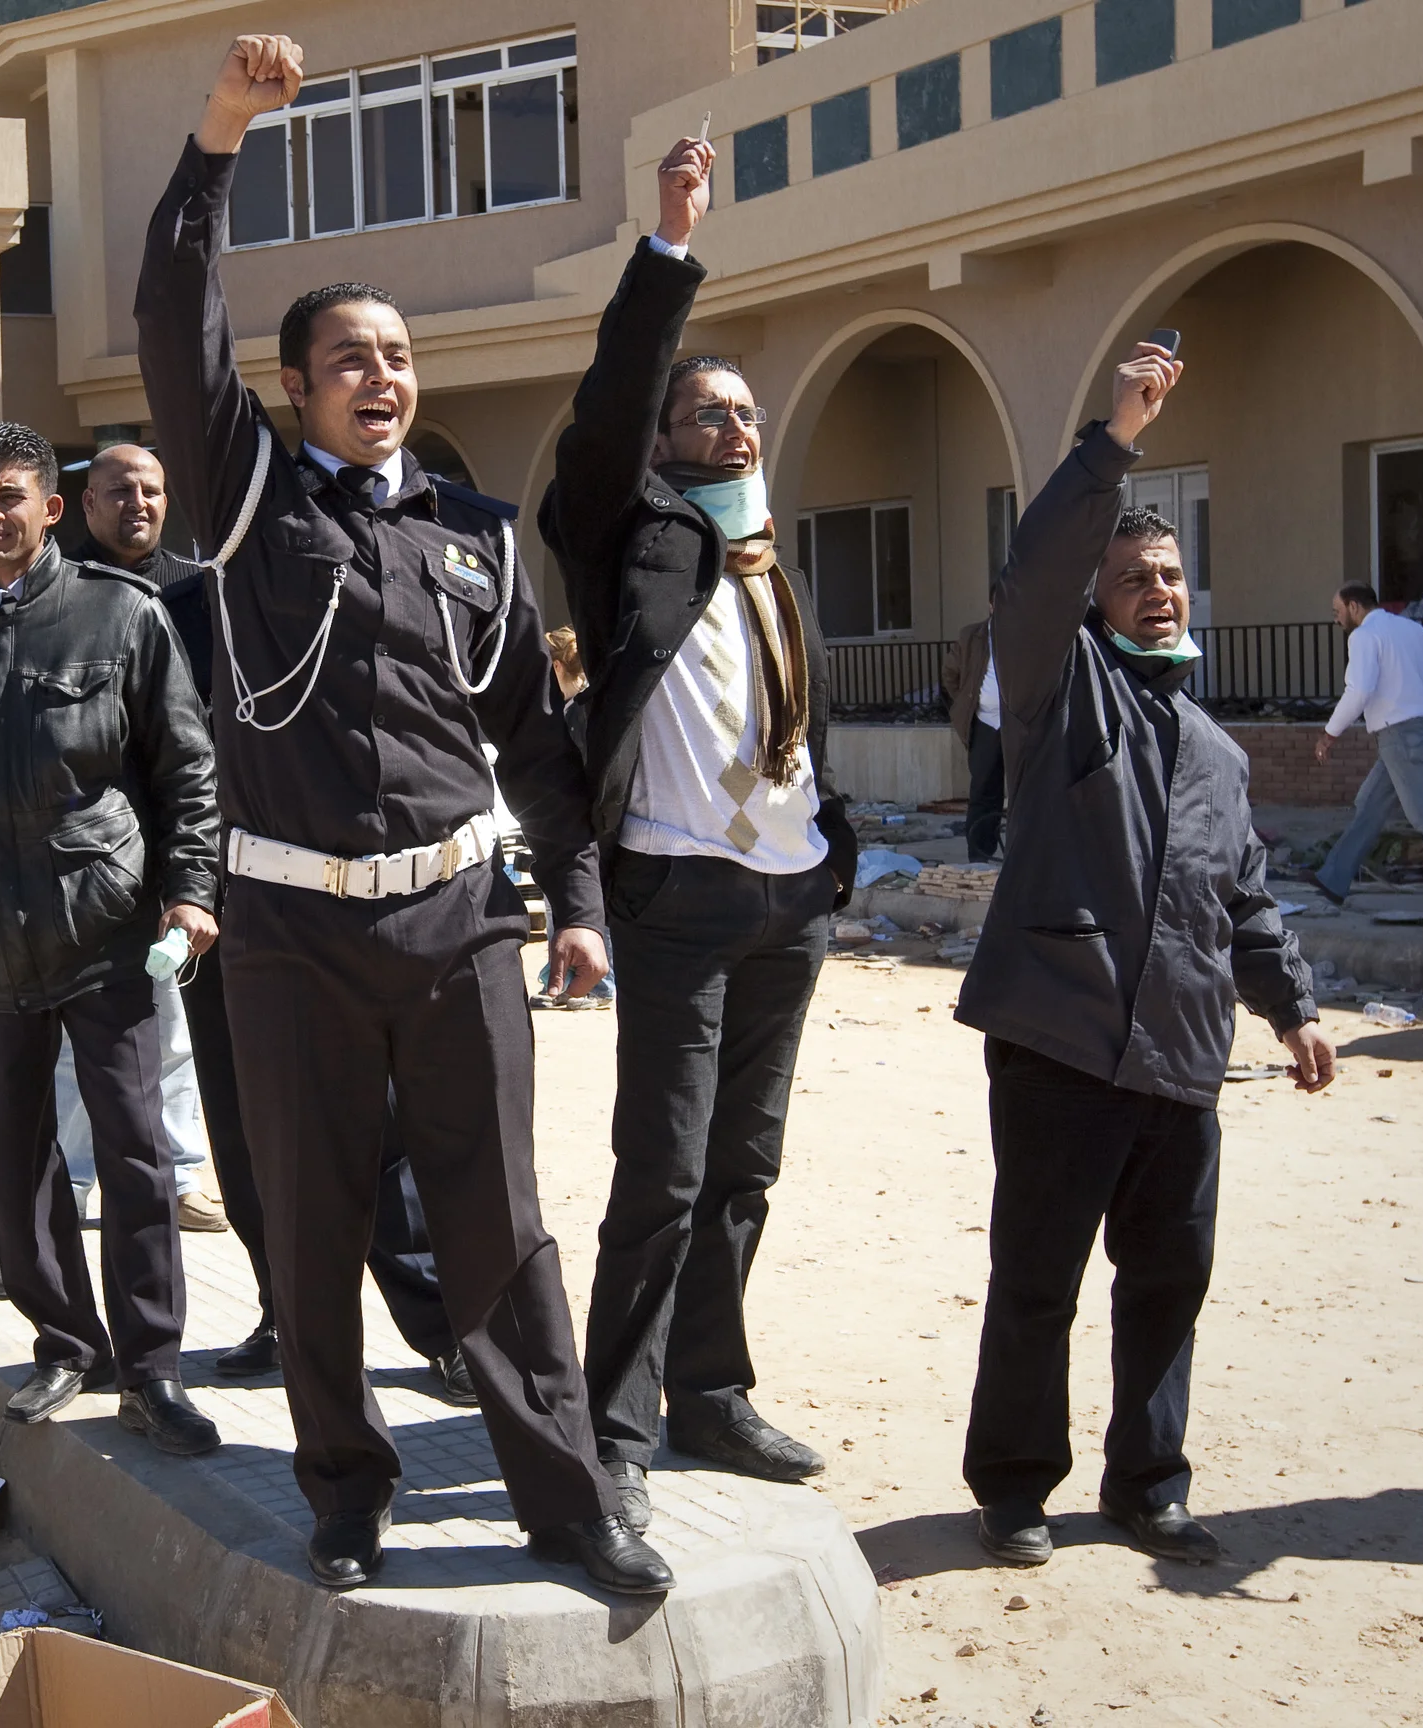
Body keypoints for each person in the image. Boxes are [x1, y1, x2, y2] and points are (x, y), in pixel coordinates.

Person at [134, 34, 666, 1596]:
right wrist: (220, 140)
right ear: (295, 390)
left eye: (400, 357)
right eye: (352, 359)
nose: (385, 375)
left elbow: (539, 742)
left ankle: (571, 1509)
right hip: (289, 930)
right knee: (305, 1228)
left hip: (456, 925)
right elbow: (176, 321)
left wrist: (570, 904)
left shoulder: (475, 540)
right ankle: (344, 1489)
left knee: (500, 1223)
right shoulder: (245, 504)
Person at [955, 343, 1335, 1569]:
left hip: (1180, 1058)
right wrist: (1112, 444)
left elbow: (1248, 903)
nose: (1156, 591)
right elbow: (1034, 576)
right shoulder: (1060, 690)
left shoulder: (1221, 755)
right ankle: (1014, 1489)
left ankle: (1146, 1484)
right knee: (1037, 1282)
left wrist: (1291, 1010)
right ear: (1096, 599)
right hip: (1060, 1043)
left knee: (1167, 1283)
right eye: (1131, 577)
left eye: (1169, 575)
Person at [539, 134, 857, 1520]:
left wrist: (830, 857)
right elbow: (606, 415)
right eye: (708, 417)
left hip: (789, 899)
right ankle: (617, 1424)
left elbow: (800, 723)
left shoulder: (774, 564)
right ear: (665, 449)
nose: (734, 431)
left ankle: (712, 1397)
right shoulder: (634, 539)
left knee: (745, 1165)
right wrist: (669, 246)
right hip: (675, 893)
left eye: (746, 416)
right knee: (660, 1171)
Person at [0, 420, 223, 1457]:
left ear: (49, 507)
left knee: (137, 1155)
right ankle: (68, 1340)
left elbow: (185, 771)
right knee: (11, 1172)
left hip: (105, 931)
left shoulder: (122, 616)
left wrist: (188, 891)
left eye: (9, 496)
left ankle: (152, 1372)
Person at [145, 450, 479, 1404]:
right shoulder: (170, 620)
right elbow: (159, 770)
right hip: (213, 914)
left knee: (378, 1135)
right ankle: (282, 1309)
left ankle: (441, 1332)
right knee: (248, 1136)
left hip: (331, 909)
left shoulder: (333, 597)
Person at [65, 443, 228, 1236]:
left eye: (152, 489)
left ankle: (186, 1172)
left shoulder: (199, 593)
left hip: (173, 843)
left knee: (172, 1022)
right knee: (78, 1029)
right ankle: (79, 1175)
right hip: (81, 848)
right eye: (119, 490)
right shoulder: (60, 591)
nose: (138, 502)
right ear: (85, 504)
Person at [1309, 584, 1423, 910]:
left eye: (1337, 613)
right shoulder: (1410, 629)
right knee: (1369, 804)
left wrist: (1329, 733)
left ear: (1353, 606)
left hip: (1399, 737)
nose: (1337, 621)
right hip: (1417, 732)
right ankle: (1333, 879)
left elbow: (1359, 690)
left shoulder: (1363, 636)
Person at [942, 602, 1005, 862]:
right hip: (984, 725)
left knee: (1027, 792)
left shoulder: (1026, 632)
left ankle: (1025, 859)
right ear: (992, 606)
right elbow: (950, 674)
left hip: (1019, 727)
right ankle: (979, 856)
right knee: (983, 792)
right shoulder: (972, 636)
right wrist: (965, 705)